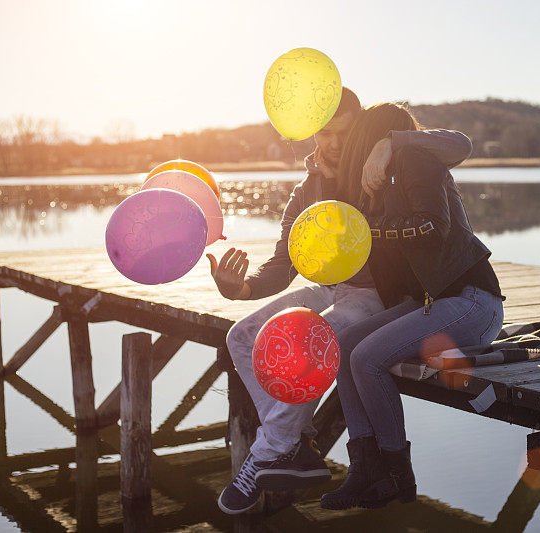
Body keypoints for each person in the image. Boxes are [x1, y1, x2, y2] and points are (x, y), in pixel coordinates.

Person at [211, 88, 475, 514]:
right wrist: (237, 288)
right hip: (331, 286)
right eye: (324, 134)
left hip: (378, 295)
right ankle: (290, 443)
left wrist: (391, 142)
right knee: (241, 336)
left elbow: (459, 145)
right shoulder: (305, 192)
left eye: (344, 134)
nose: (332, 144)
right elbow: (281, 267)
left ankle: (271, 449)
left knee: (314, 340)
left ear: (360, 135)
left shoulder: (377, 169)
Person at [319, 103, 506, 510]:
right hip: (434, 303)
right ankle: (364, 469)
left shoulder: (415, 158)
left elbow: (430, 225)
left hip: (473, 301)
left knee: (367, 357)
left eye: (361, 139)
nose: (354, 150)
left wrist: (392, 143)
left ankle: (396, 476)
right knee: (346, 345)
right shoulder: (382, 186)